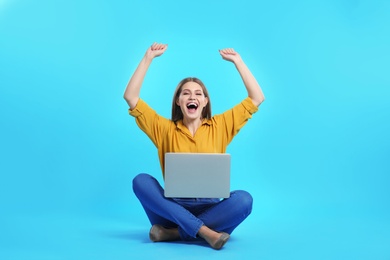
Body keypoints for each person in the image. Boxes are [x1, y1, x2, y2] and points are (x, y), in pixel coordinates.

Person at [124, 42, 265, 250]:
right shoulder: (163, 129)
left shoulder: (221, 125)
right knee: (141, 181)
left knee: (244, 200)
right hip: (172, 209)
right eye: (186, 93)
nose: (192, 97)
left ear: (205, 102)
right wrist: (148, 58)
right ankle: (206, 233)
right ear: (179, 102)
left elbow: (257, 97)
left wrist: (238, 62)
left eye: (198, 93)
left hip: (211, 209)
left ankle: (173, 233)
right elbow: (131, 97)